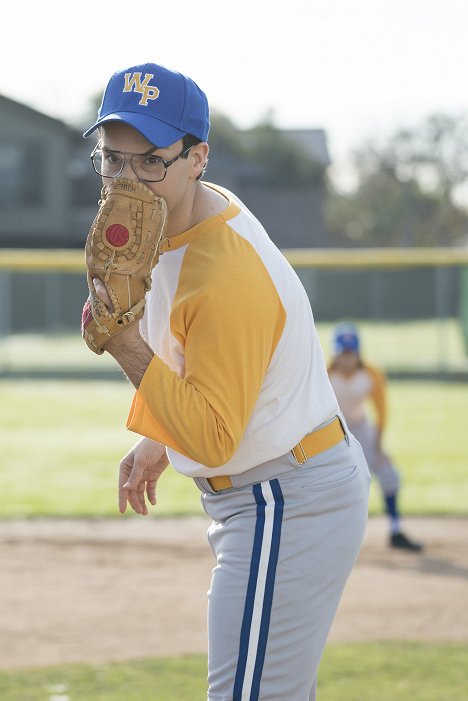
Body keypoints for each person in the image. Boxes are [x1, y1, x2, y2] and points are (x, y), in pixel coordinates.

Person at [83, 61, 371, 701]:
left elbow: (214, 437)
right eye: (114, 160)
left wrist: (126, 347)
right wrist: (160, 437)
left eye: (151, 161)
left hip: (284, 497)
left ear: (197, 158)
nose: (130, 180)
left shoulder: (226, 273)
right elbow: (201, 355)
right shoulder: (170, 224)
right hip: (277, 484)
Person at [328, 323, 423, 552]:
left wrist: (378, 448)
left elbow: (382, 413)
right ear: (336, 353)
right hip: (332, 428)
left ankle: (395, 529)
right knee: (328, 480)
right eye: (343, 353)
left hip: (361, 427)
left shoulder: (371, 374)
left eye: (351, 353)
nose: (347, 358)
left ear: (358, 353)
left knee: (389, 474)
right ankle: (327, 536)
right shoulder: (323, 373)